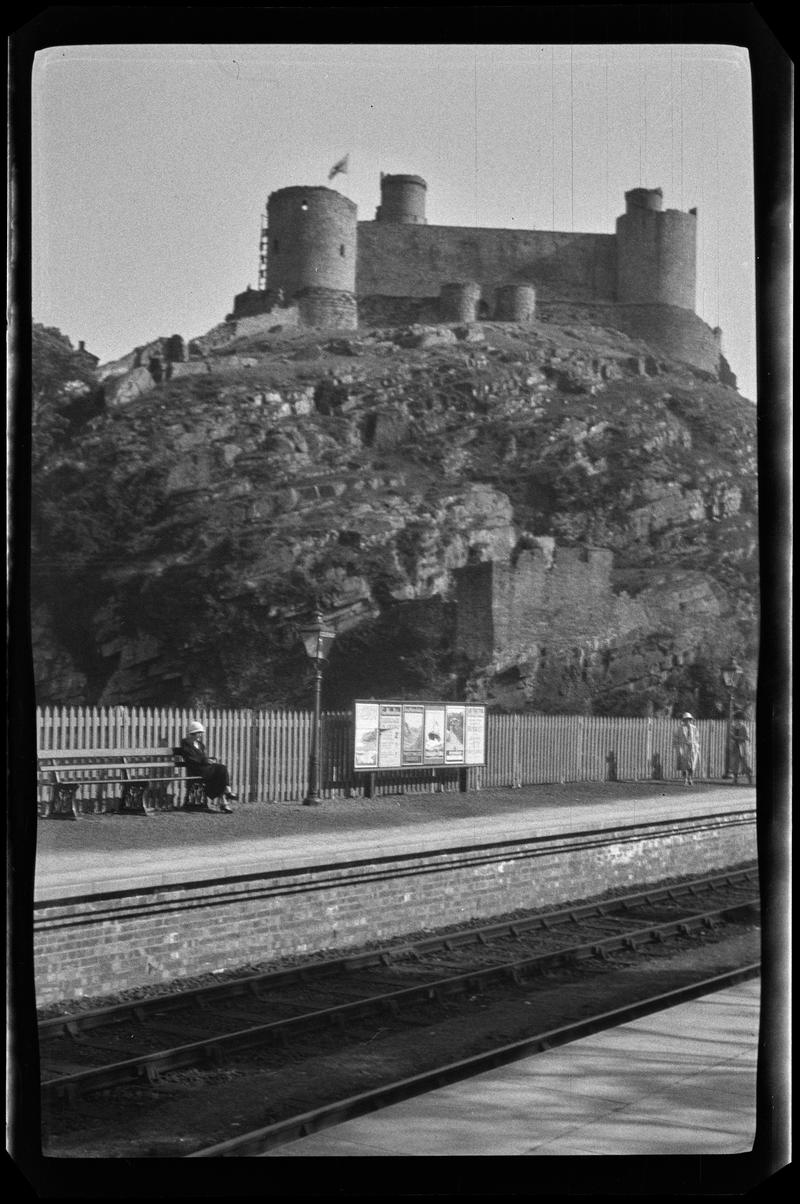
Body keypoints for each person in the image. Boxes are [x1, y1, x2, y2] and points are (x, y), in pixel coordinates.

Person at [180, 721, 238, 811]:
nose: (200, 735)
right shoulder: (186, 744)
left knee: (220, 773)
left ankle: (224, 801)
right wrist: (206, 760)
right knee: (221, 769)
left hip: (204, 768)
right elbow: (191, 759)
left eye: (200, 733)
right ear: (193, 733)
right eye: (199, 733)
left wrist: (210, 759)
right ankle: (227, 793)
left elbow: (202, 757)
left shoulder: (200, 744)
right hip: (195, 769)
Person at [673, 712, 700, 787]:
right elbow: (675, 738)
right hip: (683, 747)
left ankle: (690, 778)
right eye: (685, 719)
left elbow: (697, 738)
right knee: (683, 765)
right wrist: (678, 747)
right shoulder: (679, 728)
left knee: (692, 764)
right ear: (683, 720)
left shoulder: (694, 728)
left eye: (689, 719)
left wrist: (696, 746)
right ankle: (684, 779)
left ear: (690, 720)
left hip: (692, 748)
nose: (687, 721)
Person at [729, 711, 753, 785]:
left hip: (743, 747)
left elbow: (747, 738)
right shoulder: (733, 727)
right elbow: (731, 736)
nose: (736, 721)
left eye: (738, 719)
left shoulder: (744, 727)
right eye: (736, 719)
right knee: (735, 764)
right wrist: (734, 738)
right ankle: (735, 780)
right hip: (735, 747)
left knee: (745, 764)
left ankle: (750, 780)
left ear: (741, 719)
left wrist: (737, 737)